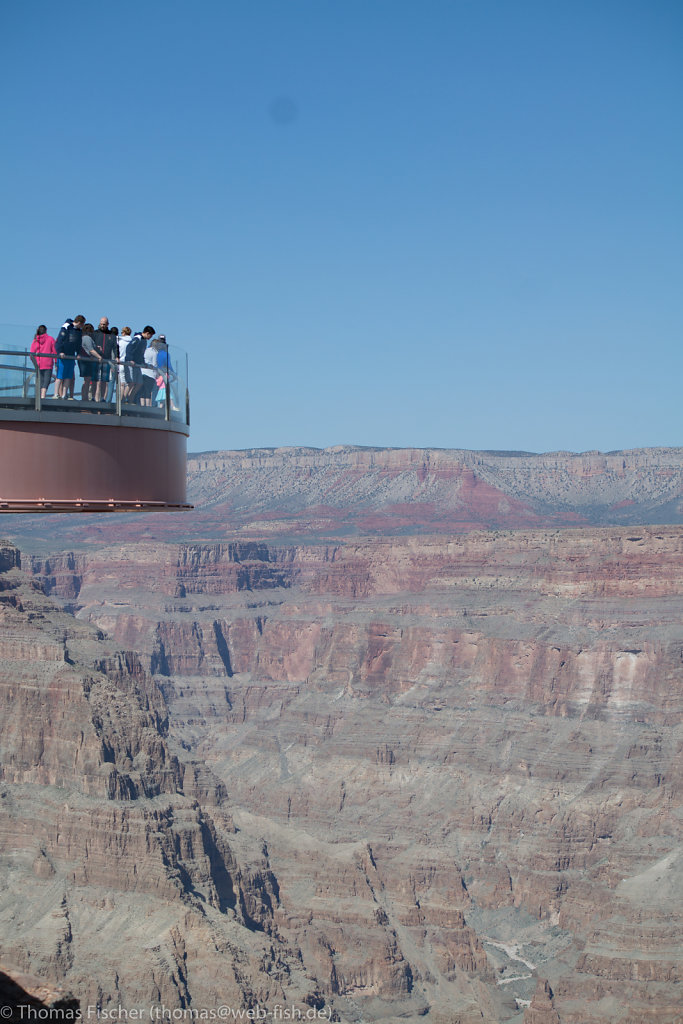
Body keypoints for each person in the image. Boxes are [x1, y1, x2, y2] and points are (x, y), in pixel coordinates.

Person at [55, 315, 85, 399]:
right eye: (82, 324)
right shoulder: (66, 327)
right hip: (63, 356)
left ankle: (64, 394)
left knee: (68, 376)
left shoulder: (79, 331)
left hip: (71, 356)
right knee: (60, 376)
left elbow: (78, 343)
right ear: (79, 323)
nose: (82, 326)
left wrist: (78, 353)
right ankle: (56, 394)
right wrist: (60, 351)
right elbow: (59, 340)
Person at [123, 325, 154, 404]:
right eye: (150, 335)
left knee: (139, 383)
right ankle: (123, 400)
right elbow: (129, 348)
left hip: (137, 364)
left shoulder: (144, 341)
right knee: (131, 382)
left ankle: (130, 399)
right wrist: (130, 359)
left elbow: (141, 353)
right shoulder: (137, 338)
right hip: (131, 363)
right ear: (147, 333)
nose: (150, 337)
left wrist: (143, 363)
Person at [92, 317, 117, 402]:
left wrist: (117, 356)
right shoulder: (95, 333)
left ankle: (102, 398)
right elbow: (91, 346)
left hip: (106, 360)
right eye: (101, 324)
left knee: (104, 380)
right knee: (95, 380)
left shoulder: (111, 335)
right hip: (96, 360)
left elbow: (115, 347)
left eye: (104, 324)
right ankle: (94, 397)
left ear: (107, 324)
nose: (102, 325)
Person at [29, 325, 57, 398]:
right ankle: (43, 395)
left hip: (38, 364)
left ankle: (38, 397)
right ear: (46, 330)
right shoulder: (50, 339)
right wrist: (56, 363)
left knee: (40, 381)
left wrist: (35, 362)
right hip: (48, 363)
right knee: (46, 381)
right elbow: (55, 352)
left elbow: (31, 354)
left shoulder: (35, 340)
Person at [79, 323, 97, 401]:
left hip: (84, 360)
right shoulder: (87, 338)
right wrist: (99, 357)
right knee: (87, 380)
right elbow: (91, 350)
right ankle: (85, 397)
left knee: (86, 380)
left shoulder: (82, 338)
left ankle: (84, 397)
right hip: (87, 361)